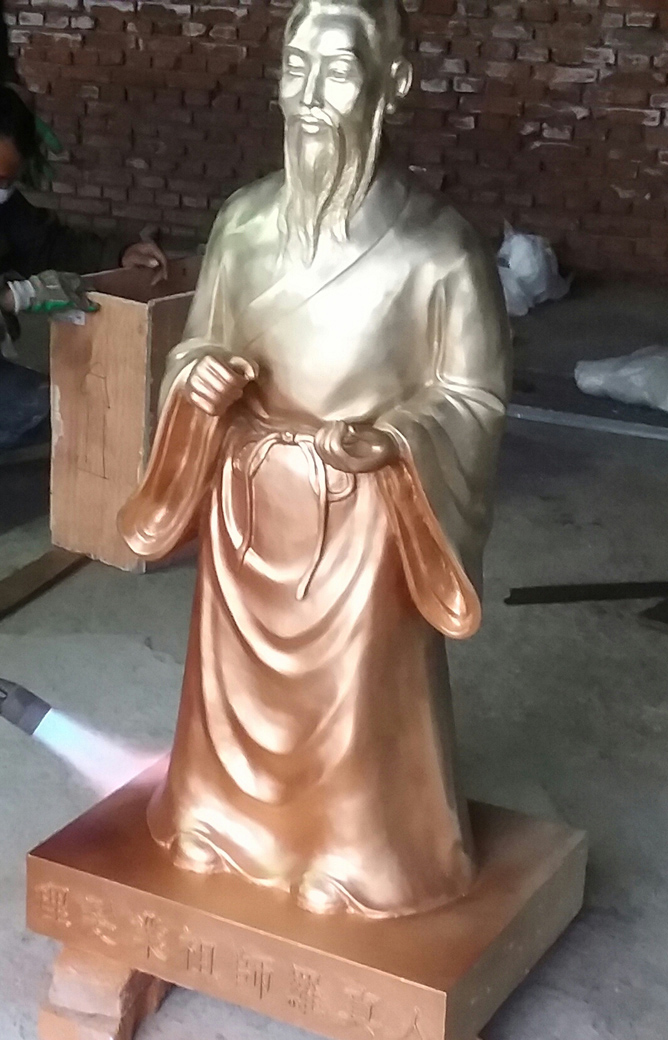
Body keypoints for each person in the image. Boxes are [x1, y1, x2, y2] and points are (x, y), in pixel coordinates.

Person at [120, 0, 510, 918]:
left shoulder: (439, 250)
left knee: (357, 703)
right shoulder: (243, 222)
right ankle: (220, 822)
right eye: (295, 68)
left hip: (364, 510)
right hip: (249, 500)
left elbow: (473, 396)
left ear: (393, 84)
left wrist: (398, 439)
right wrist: (198, 378)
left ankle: (356, 854)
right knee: (231, 699)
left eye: (336, 70)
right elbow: (199, 341)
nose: (308, 96)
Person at [0, 85, 167, 446]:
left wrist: (119, 255)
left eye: (6, 182)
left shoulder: (6, 205)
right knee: (40, 411)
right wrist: (11, 297)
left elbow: (47, 244)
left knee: (60, 405)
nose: (1, 191)